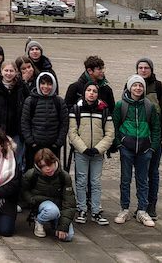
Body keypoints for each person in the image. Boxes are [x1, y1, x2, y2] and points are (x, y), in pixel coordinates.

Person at [113, 75, 161, 227]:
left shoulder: (149, 106)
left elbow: (155, 127)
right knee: (125, 179)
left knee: (143, 181)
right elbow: (114, 126)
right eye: (135, 85)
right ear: (129, 87)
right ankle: (124, 208)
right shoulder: (121, 105)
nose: (138, 88)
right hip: (127, 147)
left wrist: (152, 147)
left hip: (144, 149)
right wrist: (119, 144)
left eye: (140, 86)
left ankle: (142, 209)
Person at [68, 81, 114, 226]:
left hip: (97, 153)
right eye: (89, 90)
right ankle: (81, 209)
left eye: (94, 91)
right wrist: (83, 148)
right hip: (82, 152)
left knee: (95, 182)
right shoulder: (76, 109)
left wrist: (98, 149)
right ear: (84, 92)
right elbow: (72, 132)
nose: (91, 93)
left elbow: (110, 133)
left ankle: (95, 211)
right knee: (81, 181)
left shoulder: (104, 110)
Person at [135, 57, 162, 221]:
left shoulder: (159, 87)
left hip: (153, 138)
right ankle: (141, 204)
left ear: (151, 69)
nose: (143, 70)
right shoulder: (132, 84)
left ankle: (151, 205)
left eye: (146, 68)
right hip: (136, 138)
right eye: (140, 68)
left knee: (152, 172)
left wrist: (161, 135)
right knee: (138, 173)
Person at [21, 148, 76, 241]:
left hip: (59, 206)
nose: (47, 168)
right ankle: (39, 221)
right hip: (41, 204)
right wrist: (31, 200)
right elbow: (23, 190)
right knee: (52, 211)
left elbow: (69, 202)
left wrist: (63, 226)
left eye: (49, 164)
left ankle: (54, 223)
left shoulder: (64, 176)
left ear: (54, 161)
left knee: (68, 236)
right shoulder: (31, 174)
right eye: (43, 166)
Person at [21, 72, 68, 165]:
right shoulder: (30, 101)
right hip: (34, 146)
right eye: (43, 83)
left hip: (53, 146)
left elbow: (64, 123)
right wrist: (31, 142)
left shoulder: (58, 101)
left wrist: (58, 143)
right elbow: (25, 122)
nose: (46, 87)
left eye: (49, 84)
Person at [0, 60, 25, 163]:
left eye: (11, 71)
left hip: (16, 130)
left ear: (16, 72)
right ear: (1, 71)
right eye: (6, 70)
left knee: (16, 160)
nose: (8, 73)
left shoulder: (21, 87)